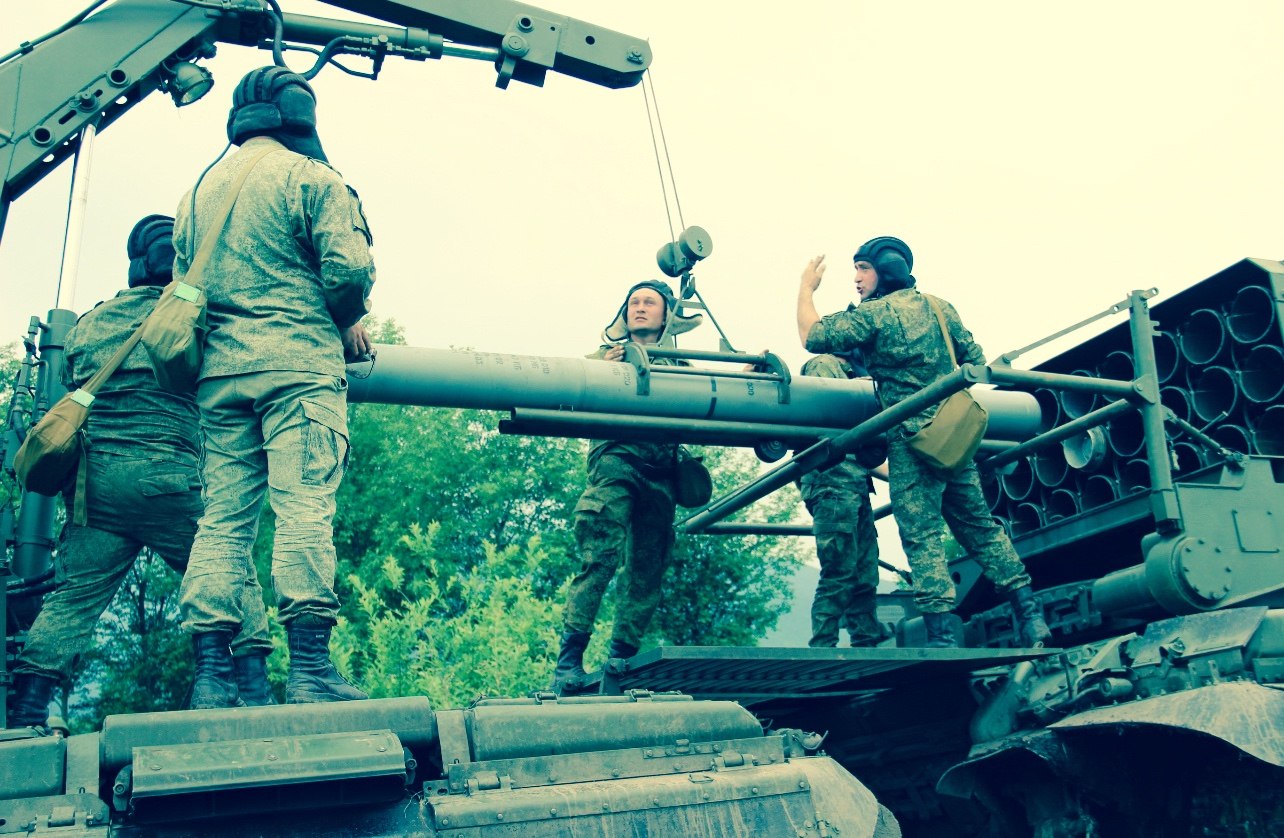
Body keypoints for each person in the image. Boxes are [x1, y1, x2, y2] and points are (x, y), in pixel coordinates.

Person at [6, 216, 275, 729]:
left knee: (73, 598)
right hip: (168, 480)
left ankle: (27, 710)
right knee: (228, 566)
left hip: (97, 493)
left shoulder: (93, 321)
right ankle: (247, 688)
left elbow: (70, 374)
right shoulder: (193, 318)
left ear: (135, 265)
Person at [175, 67, 375, 707]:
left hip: (220, 379)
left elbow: (183, 288)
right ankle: (310, 670)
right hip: (298, 371)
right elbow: (349, 272)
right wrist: (346, 321)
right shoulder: (311, 178)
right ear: (298, 112)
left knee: (221, 523)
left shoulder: (197, 192)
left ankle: (211, 677)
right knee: (303, 509)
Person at [795, 236, 1050, 648]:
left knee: (922, 535)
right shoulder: (939, 306)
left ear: (885, 270)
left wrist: (807, 288)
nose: (856, 278)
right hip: (954, 438)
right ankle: (1031, 616)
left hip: (911, 442)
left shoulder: (876, 314)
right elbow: (974, 358)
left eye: (863, 268)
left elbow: (812, 336)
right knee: (981, 529)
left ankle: (942, 636)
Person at [551, 280, 702, 693]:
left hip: (661, 473)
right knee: (599, 557)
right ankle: (568, 663)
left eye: (649, 302)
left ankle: (619, 660)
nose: (639, 308)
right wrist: (604, 366)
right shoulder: (604, 357)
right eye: (634, 302)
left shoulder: (682, 365)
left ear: (666, 314)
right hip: (616, 464)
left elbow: (714, 397)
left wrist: (746, 376)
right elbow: (573, 383)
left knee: (647, 571)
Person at [797, 353, 883, 648]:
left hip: (855, 484)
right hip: (832, 484)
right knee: (839, 572)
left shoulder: (854, 372)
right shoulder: (824, 366)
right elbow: (829, 416)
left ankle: (866, 644)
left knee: (865, 573)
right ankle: (823, 646)